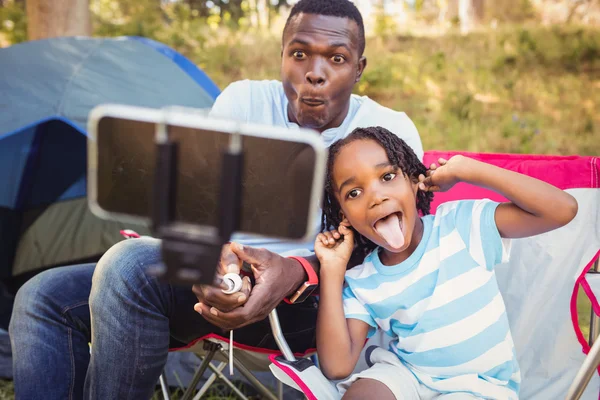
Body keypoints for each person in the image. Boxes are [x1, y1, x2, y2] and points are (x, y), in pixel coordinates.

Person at [9, 1, 425, 399]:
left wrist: (299, 272)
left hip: (323, 309)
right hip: (220, 288)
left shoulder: (387, 129)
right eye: (299, 54)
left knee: (122, 262)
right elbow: (199, 208)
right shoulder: (243, 102)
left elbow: (399, 250)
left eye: (336, 58)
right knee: (45, 297)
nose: (314, 73)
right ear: (282, 56)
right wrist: (212, 258)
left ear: (359, 68)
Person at [314, 126, 578, 399]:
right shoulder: (364, 279)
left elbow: (562, 209)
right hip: (407, 375)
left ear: (414, 181)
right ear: (343, 214)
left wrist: (469, 169)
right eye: (354, 193)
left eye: (388, 176)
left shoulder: (461, 224)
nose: (375, 197)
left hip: (477, 387)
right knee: (363, 394)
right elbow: (337, 366)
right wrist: (332, 270)